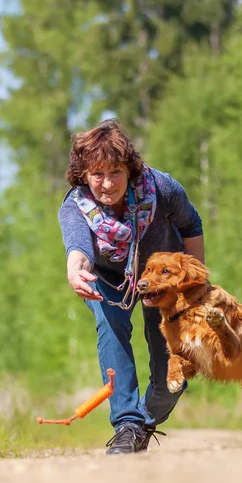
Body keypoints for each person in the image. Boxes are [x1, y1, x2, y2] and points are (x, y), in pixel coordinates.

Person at [59, 119, 204, 454]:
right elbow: (78, 248)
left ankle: (143, 422)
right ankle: (126, 424)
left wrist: (196, 283)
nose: (107, 184)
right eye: (97, 174)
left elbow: (192, 223)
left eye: (115, 172)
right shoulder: (75, 207)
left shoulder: (162, 190)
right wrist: (75, 271)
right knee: (111, 328)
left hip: (165, 280)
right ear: (84, 175)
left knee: (173, 376)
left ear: (130, 170)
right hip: (109, 280)